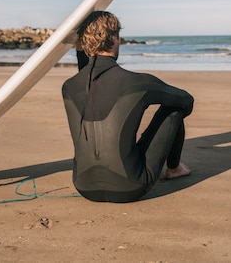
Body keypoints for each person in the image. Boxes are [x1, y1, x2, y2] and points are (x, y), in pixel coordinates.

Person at [62, 11, 194, 202]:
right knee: (174, 108)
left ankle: (173, 168)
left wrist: (80, 48)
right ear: (115, 38)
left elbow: (90, 79)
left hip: (84, 185)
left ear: (84, 42)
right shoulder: (138, 83)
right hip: (131, 186)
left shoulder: (68, 87)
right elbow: (186, 101)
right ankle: (174, 169)